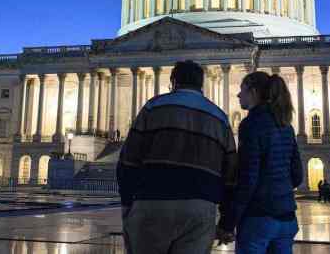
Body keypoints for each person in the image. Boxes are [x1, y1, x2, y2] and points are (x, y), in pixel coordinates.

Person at [117, 60, 238, 254]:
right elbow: (231, 175)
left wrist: (127, 204)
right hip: (201, 204)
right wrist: (227, 221)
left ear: (173, 81)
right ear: (201, 83)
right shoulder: (220, 117)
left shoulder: (153, 107)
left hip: (153, 200)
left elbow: (128, 161)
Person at [219, 71, 304, 254]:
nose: (238, 94)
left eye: (242, 90)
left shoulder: (251, 124)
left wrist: (228, 223)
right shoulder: (286, 125)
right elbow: (297, 175)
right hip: (287, 218)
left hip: (259, 218)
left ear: (254, 92)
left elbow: (248, 179)